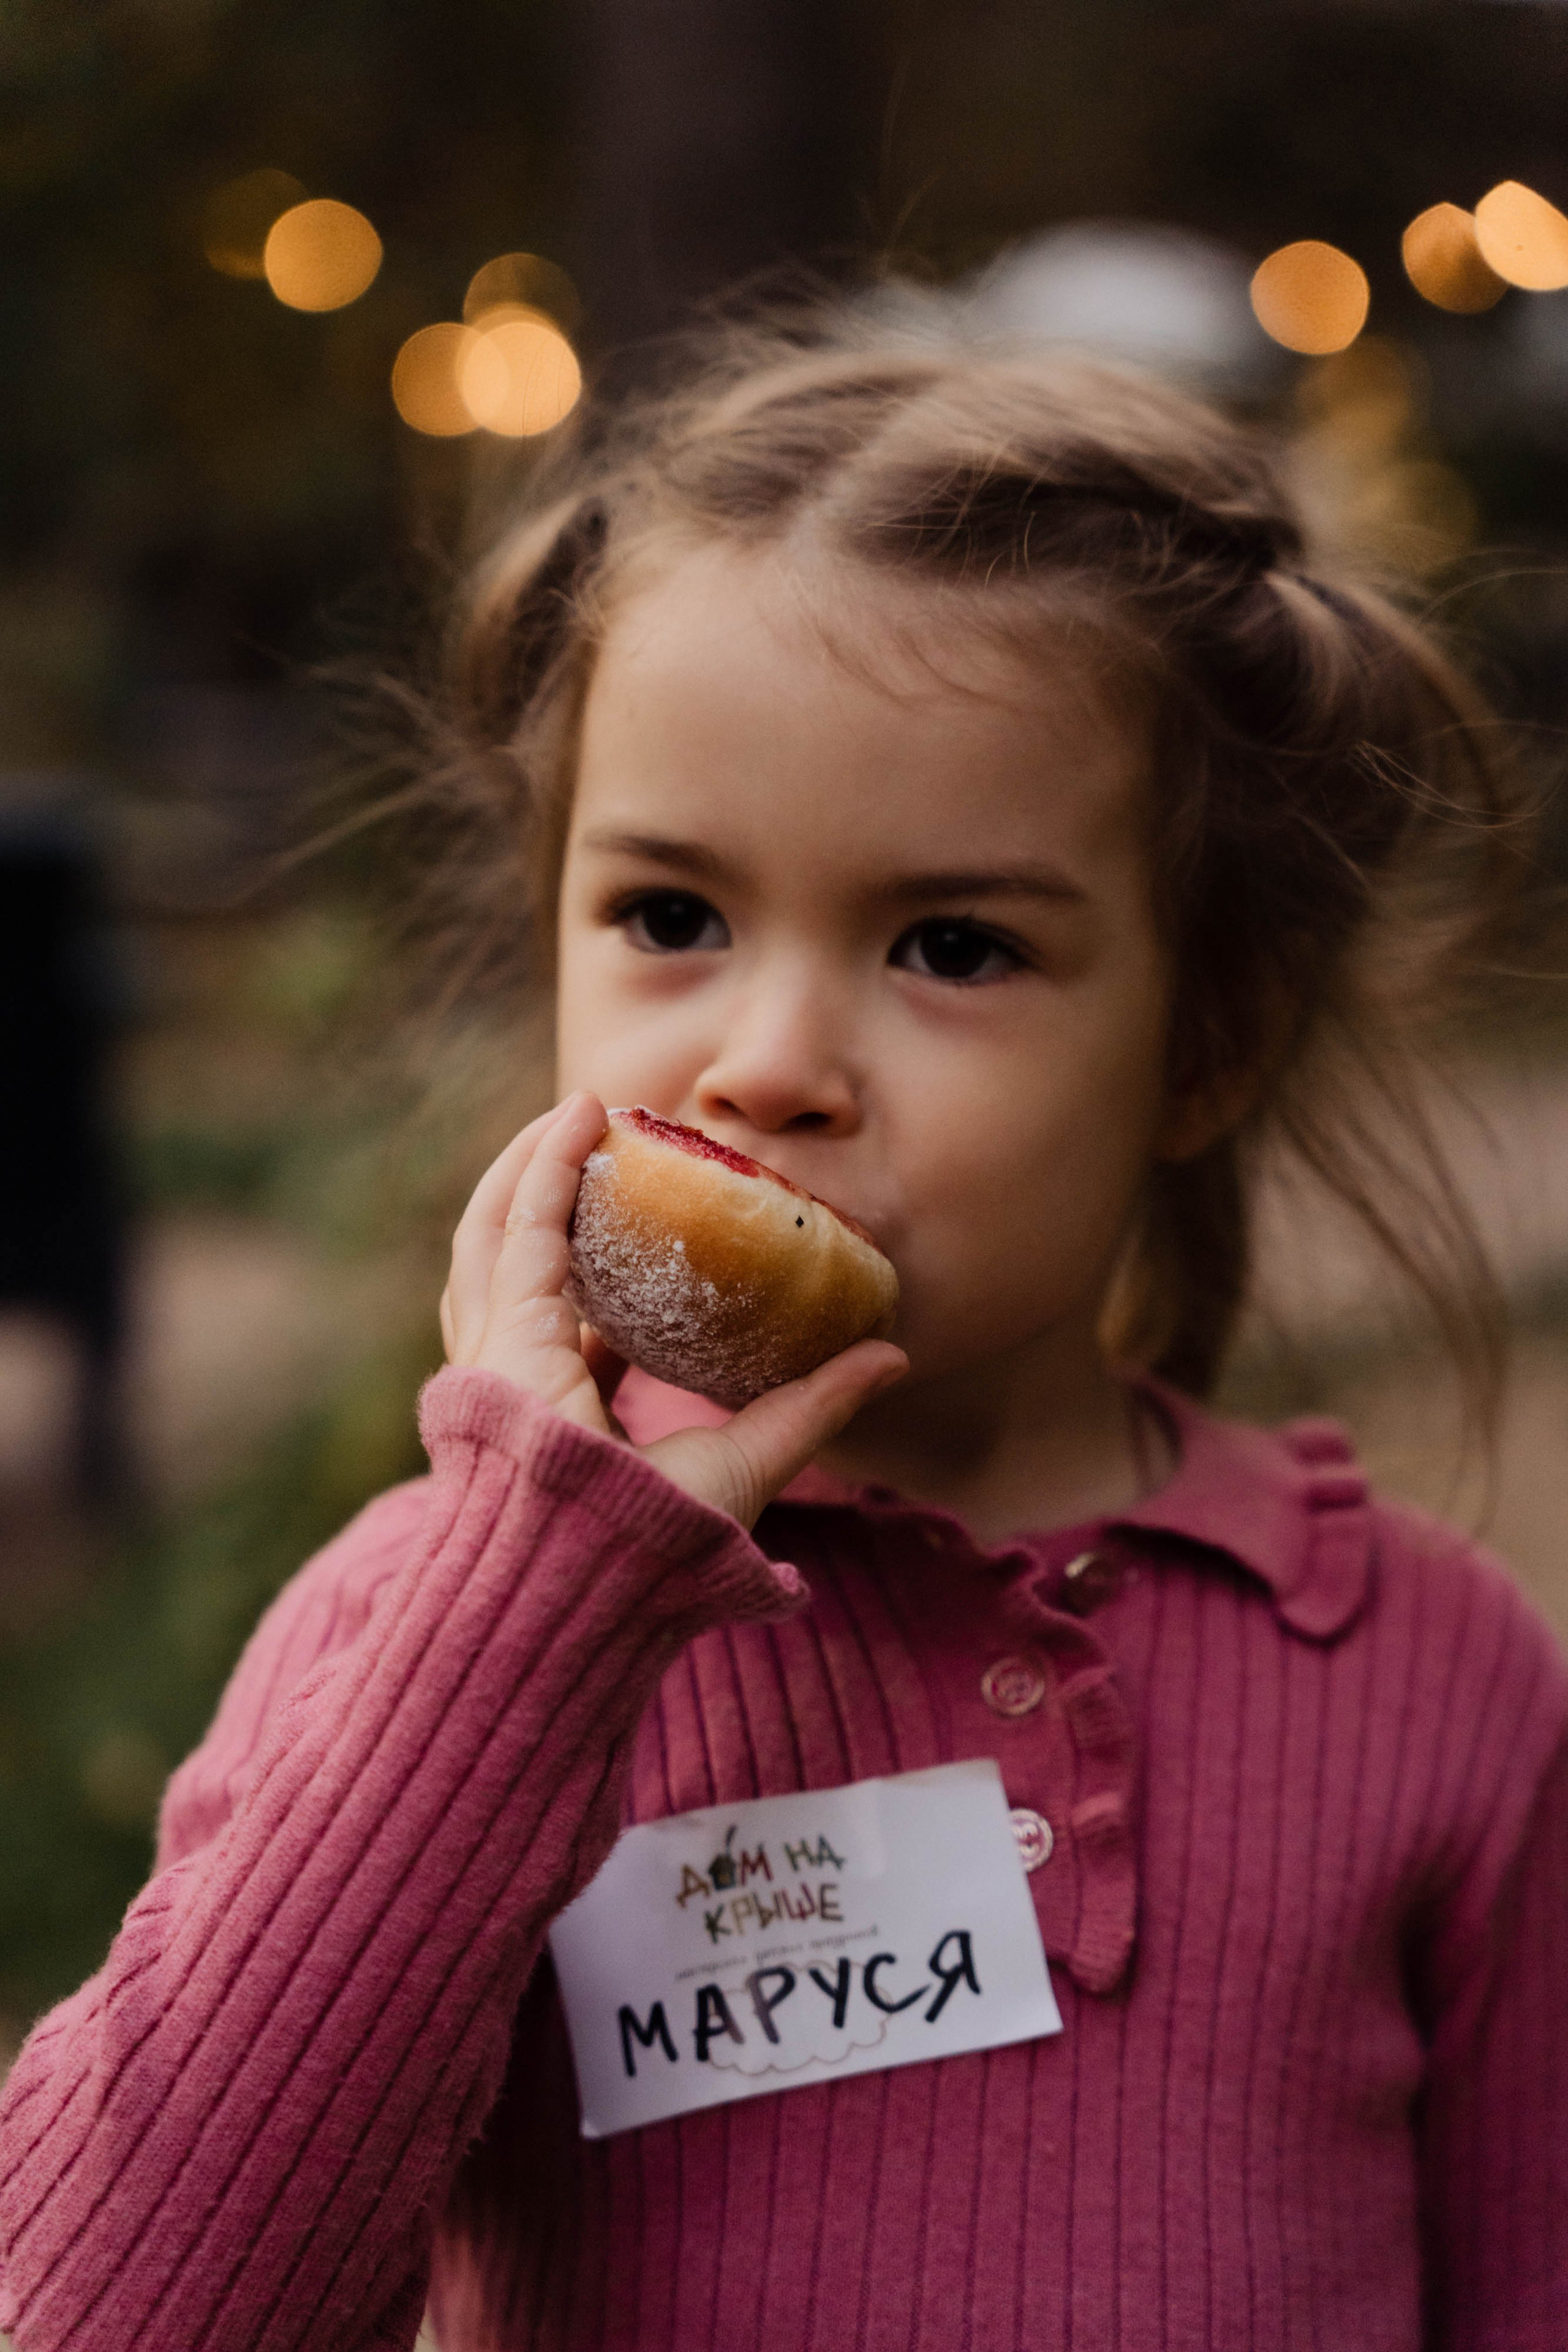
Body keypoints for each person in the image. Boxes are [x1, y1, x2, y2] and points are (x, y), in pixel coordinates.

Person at [2, 308, 1564, 2352]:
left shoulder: (1434, 1683)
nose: (770, 1062)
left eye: (953, 945)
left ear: (1202, 1045)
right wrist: (533, 1602)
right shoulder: (426, 1635)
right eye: (671, 917)